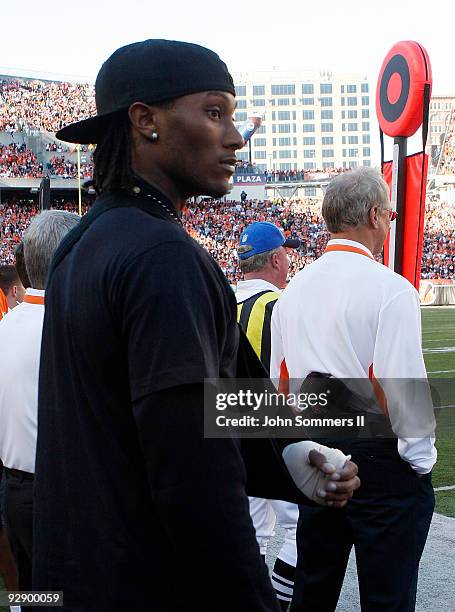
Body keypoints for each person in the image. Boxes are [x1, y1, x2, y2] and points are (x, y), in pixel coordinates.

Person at [33, 39, 359, 611]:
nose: (236, 137)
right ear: (145, 121)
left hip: (83, 575)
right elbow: (191, 473)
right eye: (214, 113)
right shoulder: (163, 255)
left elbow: (179, 409)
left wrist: (285, 455)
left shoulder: (80, 244)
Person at [271, 167, 436, 612]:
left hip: (316, 450)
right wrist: (418, 463)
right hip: (379, 461)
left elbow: (280, 385)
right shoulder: (390, 289)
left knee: (313, 590)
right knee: (388, 597)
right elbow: (402, 385)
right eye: (391, 215)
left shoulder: (292, 291)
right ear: (374, 215)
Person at [0, 211, 80, 592]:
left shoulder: (6, 327)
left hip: (16, 491)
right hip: (62, 494)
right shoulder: (75, 324)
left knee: (36, 594)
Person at [236, 221, 301, 609]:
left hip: (226, 422)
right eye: (287, 254)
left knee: (252, 530)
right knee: (300, 528)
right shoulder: (282, 305)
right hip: (272, 421)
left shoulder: (222, 299)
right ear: (276, 258)